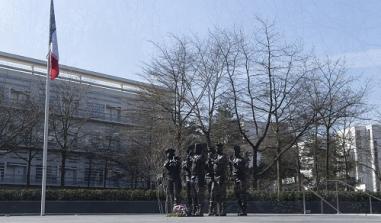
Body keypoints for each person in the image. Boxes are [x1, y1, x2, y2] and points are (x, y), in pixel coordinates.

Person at [211, 143, 228, 216]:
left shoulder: (224, 156)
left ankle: (223, 211)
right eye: (216, 148)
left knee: (222, 194)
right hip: (215, 176)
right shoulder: (215, 156)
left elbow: (218, 162)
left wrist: (212, 160)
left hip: (221, 176)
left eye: (218, 148)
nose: (217, 149)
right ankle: (216, 211)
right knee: (214, 193)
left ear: (221, 149)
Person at [163, 148, 182, 213]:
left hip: (176, 178)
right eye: (167, 153)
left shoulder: (177, 159)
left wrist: (175, 161)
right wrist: (170, 161)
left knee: (177, 193)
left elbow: (179, 165)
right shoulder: (167, 160)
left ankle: (177, 209)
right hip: (169, 178)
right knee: (170, 194)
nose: (168, 155)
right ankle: (170, 210)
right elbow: (165, 166)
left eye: (169, 153)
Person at [231, 145, 248, 216]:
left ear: (238, 151)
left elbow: (242, 169)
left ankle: (244, 210)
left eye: (236, 151)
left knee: (242, 195)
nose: (235, 152)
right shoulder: (234, 160)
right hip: (235, 179)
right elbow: (232, 170)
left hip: (241, 179)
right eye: (234, 151)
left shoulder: (242, 160)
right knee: (237, 195)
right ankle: (241, 209)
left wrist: (234, 164)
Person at [191, 143, 207, 216]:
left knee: (199, 194)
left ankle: (200, 211)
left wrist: (192, 157)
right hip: (193, 176)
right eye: (195, 148)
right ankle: (196, 209)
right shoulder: (194, 156)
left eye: (196, 148)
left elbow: (197, 161)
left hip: (200, 177)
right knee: (194, 194)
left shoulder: (202, 155)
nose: (195, 149)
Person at [182, 145, 194, 215]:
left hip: (193, 177)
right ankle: (189, 208)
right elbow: (184, 167)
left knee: (194, 194)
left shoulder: (193, 159)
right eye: (189, 151)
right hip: (187, 178)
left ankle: (194, 208)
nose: (190, 152)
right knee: (188, 194)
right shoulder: (185, 159)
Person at [206, 146, 216, 216]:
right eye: (208, 152)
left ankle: (212, 209)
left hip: (214, 178)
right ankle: (211, 210)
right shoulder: (206, 161)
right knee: (210, 194)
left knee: (213, 194)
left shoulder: (214, 160)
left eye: (210, 152)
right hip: (207, 178)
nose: (209, 153)